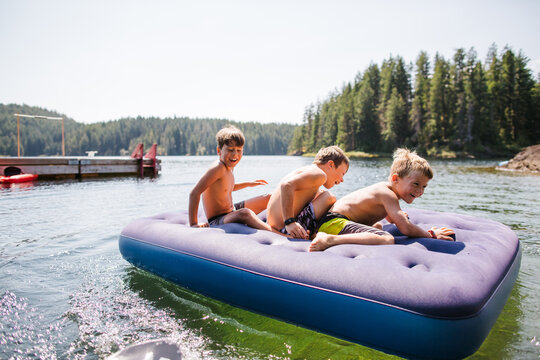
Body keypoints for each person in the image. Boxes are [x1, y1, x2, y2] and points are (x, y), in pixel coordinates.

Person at [310, 148, 455, 251]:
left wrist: (396, 216)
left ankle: (327, 235)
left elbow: (391, 217)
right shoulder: (388, 194)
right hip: (334, 223)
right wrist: (430, 234)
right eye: (416, 184)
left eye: (424, 186)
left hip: (334, 222)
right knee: (387, 239)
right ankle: (329, 240)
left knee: (378, 226)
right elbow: (405, 228)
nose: (420, 191)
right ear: (395, 179)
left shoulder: (385, 191)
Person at [188, 126, 274, 232]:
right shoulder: (218, 167)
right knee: (245, 213)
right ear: (219, 150)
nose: (235, 154)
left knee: (270, 197)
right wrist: (194, 224)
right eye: (230, 150)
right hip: (218, 220)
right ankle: (276, 233)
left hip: (232, 210)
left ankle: (290, 223)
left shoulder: (229, 166)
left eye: (239, 150)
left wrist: (249, 183)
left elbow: (227, 187)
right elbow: (194, 193)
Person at [266, 146, 349, 239]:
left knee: (322, 194)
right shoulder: (320, 175)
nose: (342, 180)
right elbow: (286, 185)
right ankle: (315, 233)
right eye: (342, 173)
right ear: (330, 164)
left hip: (274, 225)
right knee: (329, 197)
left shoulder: (308, 171)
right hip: (286, 229)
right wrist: (289, 222)